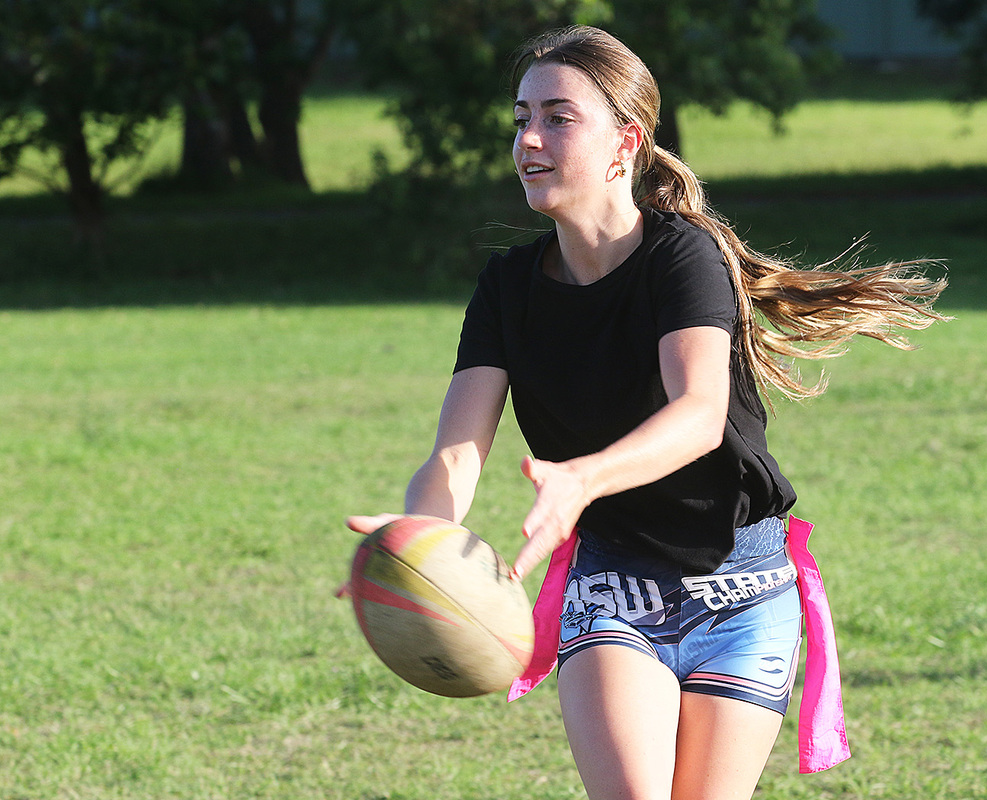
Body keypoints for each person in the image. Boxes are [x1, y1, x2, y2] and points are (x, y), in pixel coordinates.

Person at [348, 25, 948, 800]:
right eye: (522, 118)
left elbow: (698, 412)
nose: (529, 138)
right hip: (613, 589)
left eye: (558, 117)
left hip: (743, 592)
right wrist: (413, 546)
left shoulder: (681, 256)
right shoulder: (507, 287)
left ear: (624, 142)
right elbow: (457, 454)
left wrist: (582, 480)